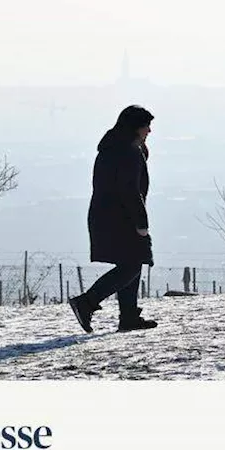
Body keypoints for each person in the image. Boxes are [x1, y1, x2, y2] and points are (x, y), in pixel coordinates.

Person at [69, 105, 158, 333]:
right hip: (121, 217)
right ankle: (87, 302)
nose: (149, 130)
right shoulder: (129, 153)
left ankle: (128, 316)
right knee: (132, 264)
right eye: (146, 126)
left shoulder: (112, 149)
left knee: (132, 261)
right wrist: (141, 223)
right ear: (135, 128)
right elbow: (130, 190)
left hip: (105, 216)